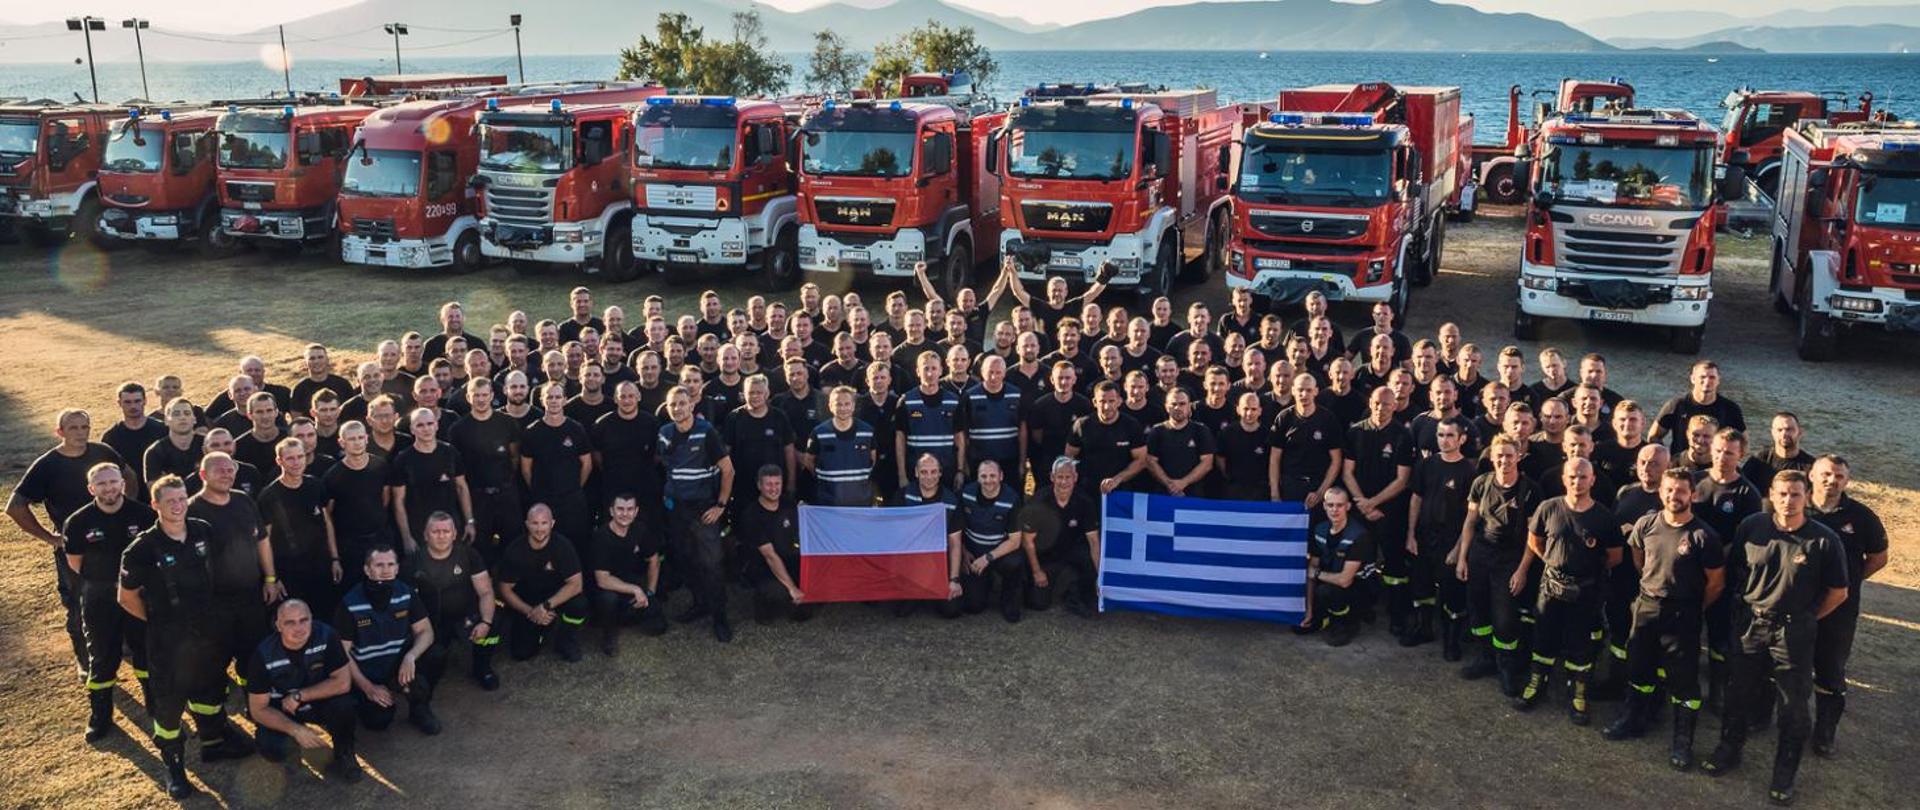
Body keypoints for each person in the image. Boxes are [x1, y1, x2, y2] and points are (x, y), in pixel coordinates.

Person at [1701, 471, 1850, 806]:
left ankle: (1785, 770)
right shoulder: (1752, 526)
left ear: (1806, 497)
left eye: (1795, 495)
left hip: (1793, 631)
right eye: (1782, 494)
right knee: (1738, 692)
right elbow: (1738, 568)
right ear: (1771, 494)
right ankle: (1729, 748)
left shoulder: (1824, 540)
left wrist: (1806, 617)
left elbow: (1838, 592)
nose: (1787, 501)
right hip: (1751, 623)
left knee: (1793, 705)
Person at [119, 476, 253, 799]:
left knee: (210, 690)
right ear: (156, 505)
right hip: (168, 640)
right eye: (170, 501)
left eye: (182, 499)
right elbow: (126, 597)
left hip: (207, 632)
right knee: (168, 706)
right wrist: (159, 622)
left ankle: (213, 742)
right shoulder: (142, 548)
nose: (178, 506)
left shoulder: (202, 530)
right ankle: (174, 767)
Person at [1603, 470, 1724, 772]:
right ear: (1661, 493)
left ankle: (1683, 740)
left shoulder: (1703, 536)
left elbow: (1715, 583)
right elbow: (1638, 555)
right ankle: (1633, 718)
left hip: (1683, 613)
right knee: (1639, 666)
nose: (1674, 496)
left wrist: (1692, 606)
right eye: (1669, 490)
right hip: (1646, 605)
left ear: (1693, 495)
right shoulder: (1646, 524)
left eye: (1681, 491)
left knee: (1683, 680)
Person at [8, 409, 130, 672]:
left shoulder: (103, 453)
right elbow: (16, 506)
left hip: (114, 542)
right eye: (73, 428)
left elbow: (128, 475)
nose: (80, 432)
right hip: (76, 548)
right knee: (78, 603)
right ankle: (85, 660)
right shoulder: (48, 465)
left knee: (122, 592)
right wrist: (49, 537)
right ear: (59, 432)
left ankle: (124, 645)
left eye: (84, 427)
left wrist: (126, 507)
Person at [1512, 458, 1622, 725]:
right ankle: (1537, 684)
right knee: (1543, 638)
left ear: (1593, 480)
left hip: (1586, 592)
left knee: (1580, 644)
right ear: (1564, 478)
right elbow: (1534, 541)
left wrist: (1584, 572)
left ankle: (1578, 693)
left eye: (1583, 477)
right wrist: (1555, 563)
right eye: (1572, 476)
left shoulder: (1604, 517)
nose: (1577, 481)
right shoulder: (1548, 508)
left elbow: (1614, 557)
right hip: (1550, 587)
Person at [61, 462, 155, 740]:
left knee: (145, 649)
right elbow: (75, 563)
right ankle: (100, 714)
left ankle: (155, 701)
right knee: (102, 656)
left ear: (123, 484)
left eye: (113, 482)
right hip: (99, 597)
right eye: (101, 484)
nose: (109, 488)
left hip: (137, 594)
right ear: (91, 489)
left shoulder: (145, 515)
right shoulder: (78, 522)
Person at [1804, 455, 1889, 758]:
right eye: (1826, 474)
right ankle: (1764, 716)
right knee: (1784, 663)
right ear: (1811, 475)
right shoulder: (1795, 507)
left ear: (1847, 481)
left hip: (1839, 609)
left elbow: (1879, 558)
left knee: (1829, 669)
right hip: (1797, 604)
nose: (1832, 480)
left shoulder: (1862, 517)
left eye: (1839, 476)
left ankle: (1825, 731)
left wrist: (1849, 581)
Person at [1454, 435, 1544, 696]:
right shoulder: (1481, 483)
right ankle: (1486, 657)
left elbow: (1533, 536)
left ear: (1518, 457)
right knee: (1478, 610)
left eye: (1509, 455)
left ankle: (1507, 666)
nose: (1504, 460)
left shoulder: (1530, 490)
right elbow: (1470, 522)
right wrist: (1462, 557)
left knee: (1505, 618)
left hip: (1510, 559)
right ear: (1492, 458)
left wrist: (1522, 570)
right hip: (1480, 555)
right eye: (1499, 455)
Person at [187, 451, 280, 701]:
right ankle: (215, 715)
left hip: (251, 595)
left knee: (251, 652)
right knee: (215, 656)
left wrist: (270, 578)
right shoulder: (191, 510)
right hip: (214, 602)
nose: (227, 475)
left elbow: (262, 540)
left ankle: (254, 699)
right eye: (220, 470)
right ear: (203, 475)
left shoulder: (244, 501)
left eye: (230, 470)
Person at [245, 599, 361, 782]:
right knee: (271, 746)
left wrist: (300, 696)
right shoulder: (263, 655)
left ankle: (345, 753)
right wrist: (295, 730)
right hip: (283, 709)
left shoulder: (327, 636)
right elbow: (258, 709)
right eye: (289, 622)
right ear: (278, 625)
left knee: (344, 706)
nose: (298, 628)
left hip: (317, 700)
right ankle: (292, 755)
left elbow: (343, 682)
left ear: (312, 619)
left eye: (303, 620)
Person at [658, 385, 736, 642]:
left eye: (682, 403)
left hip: (703, 508)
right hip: (676, 509)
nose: (678, 408)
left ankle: (719, 616)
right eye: (673, 404)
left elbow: (728, 470)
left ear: (692, 405)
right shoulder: (665, 433)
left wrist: (720, 505)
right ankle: (699, 603)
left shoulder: (706, 432)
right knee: (685, 559)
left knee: (711, 563)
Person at [335, 546, 439, 735]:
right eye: (379, 565)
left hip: (397, 666)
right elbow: (341, 652)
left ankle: (419, 708)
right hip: (367, 672)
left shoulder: (406, 593)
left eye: (391, 564)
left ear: (397, 568)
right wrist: (368, 687)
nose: (386, 570)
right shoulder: (350, 603)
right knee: (378, 721)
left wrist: (410, 657)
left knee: (436, 655)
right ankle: (362, 701)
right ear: (367, 570)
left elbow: (426, 632)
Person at [1343, 386, 1416, 639]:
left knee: (1394, 565)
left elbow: (1402, 480)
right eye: (1376, 403)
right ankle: (1362, 609)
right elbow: (1347, 472)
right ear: (1369, 402)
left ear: (1394, 405)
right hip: (1360, 508)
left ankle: (1397, 616)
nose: (1380, 408)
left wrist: (1374, 503)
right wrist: (1361, 502)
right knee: (1360, 561)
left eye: (1386, 404)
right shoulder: (1355, 432)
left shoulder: (1402, 436)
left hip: (1389, 512)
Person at [1406, 418, 1475, 660]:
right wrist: (1411, 535)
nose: (1444, 440)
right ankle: (1423, 629)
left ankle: (1451, 641)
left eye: (1449, 436)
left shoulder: (1468, 471)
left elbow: (1471, 516)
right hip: (1425, 537)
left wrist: (1458, 550)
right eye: (1440, 435)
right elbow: (1416, 499)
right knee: (1421, 586)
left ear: (1461, 439)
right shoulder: (1426, 465)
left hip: (1451, 540)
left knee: (1451, 593)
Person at [257, 438, 341, 624]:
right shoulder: (269, 496)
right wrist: (271, 578)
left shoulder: (316, 485)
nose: (296, 463)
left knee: (325, 620)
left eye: (300, 457)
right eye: (290, 458)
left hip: (321, 569)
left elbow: (328, 524)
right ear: (279, 461)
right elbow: (264, 541)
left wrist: (334, 559)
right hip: (288, 575)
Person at [497, 504, 588, 661]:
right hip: (527, 601)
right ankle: (541, 630)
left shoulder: (563, 546)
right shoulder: (515, 550)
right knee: (521, 653)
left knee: (579, 604)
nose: (540, 529)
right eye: (535, 523)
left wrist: (546, 606)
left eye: (544, 523)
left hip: (554, 598)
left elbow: (576, 584)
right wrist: (531, 612)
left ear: (552, 523)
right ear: (527, 524)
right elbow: (505, 589)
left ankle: (565, 640)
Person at [447, 377, 523, 564]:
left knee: (513, 548)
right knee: (480, 552)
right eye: (476, 395)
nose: (481, 399)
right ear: (468, 397)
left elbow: (515, 457)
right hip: (477, 498)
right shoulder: (458, 429)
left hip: (506, 495)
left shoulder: (507, 422)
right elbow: (457, 470)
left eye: (484, 395)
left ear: (492, 396)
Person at [1017, 458, 1100, 617]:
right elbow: (1027, 541)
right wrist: (1037, 572)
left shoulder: (1085, 501)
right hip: (1046, 554)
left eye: (1068, 477)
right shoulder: (1039, 501)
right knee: (1038, 603)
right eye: (1060, 477)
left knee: (1087, 561)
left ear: (1075, 478)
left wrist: (1099, 576)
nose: (1064, 482)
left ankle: (1077, 592)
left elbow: (1094, 542)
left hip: (1072, 549)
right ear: (1052, 477)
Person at [736, 465, 815, 625]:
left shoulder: (789, 504)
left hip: (791, 560)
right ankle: (763, 606)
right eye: (768, 484)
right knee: (778, 593)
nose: (774, 489)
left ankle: (793, 600)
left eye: (777, 484)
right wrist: (792, 587)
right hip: (764, 567)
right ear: (759, 485)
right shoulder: (752, 515)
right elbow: (770, 556)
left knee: (805, 611)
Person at [390, 408, 474, 555]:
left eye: (430, 423)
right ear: (412, 429)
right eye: (420, 425)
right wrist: (406, 537)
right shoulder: (403, 460)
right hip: (419, 531)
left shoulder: (450, 453)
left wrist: (470, 522)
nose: (426, 429)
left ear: (437, 425)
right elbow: (398, 502)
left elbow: (462, 488)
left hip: (451, 528)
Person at [590, 493, 667, 653]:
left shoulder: (640, 529)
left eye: (630, 509)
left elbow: (654, 560)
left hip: (632, 582)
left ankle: (627, 615)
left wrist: (650, 592)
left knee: (658, 627)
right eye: (620, 509)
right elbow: (602, 579)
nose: (625, 514)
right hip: (608, 588)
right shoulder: (601, 537)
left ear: (636, 511)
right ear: (611, 511)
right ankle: (609, 635)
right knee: (608, 600)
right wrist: (636, 590)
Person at [1298, 487, 1374, 647]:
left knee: (1327, 591)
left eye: (1339, 505)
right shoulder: (1320, 530)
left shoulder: (1359, 535)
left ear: (1348, 507)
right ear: (1324, 506)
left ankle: (1346, 623)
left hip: (1359, 588)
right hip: (1331, 580)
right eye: (1330, 505)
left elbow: (1345, 580)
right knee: (1299, 626)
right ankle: (1321, 616)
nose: (1335, 510)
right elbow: (1311, 571)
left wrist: (1316, 574)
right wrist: (1309, 610)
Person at [521, 382, 594, 544]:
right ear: (542, 400)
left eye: (558, 397)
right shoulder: (532, 431)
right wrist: (538, 490)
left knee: (576, 543)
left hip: (572, 500)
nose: (554, 401)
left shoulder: (576, 429)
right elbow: (526, 468)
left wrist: (574, 487)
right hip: (543, 499)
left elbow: (587, 464)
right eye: (549, 397)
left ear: (565, 400)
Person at [956, 460, 1026, 622]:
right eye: (984, 476)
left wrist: (987, 558)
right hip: (973, 552)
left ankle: (1009, 599)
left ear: (1001, 476)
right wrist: (963, 552)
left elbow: (1015, 541)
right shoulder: (966, 494)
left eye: (993, 475)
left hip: (1000, 552)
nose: (988, 480)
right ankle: (985, 582)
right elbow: (956, 530)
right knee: (974, 607)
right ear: (978, 478)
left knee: (1014, 562)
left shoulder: (1012, 499)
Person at [322, 422, 390, 588]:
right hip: (349, 546)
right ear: (342, 443)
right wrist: (335, 557)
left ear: (367, 439)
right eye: (352, 439)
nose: (357, 442)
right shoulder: (333, 476)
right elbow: (327, 518)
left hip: (379, 540)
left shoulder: (380, 466)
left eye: (360, 437)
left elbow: (385, 499)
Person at [1269, 373, 1346, 508]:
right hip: (1290, 487)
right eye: (1300, 390)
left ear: (1316, 391)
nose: (1304, 394)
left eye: (1308, 390)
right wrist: (1275, 494)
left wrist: (1321, 492)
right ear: (1293, 390)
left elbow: (1336, 460)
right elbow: (1274, 458)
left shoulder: (1328, 419)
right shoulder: (1284, 418)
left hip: (1318, 486)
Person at [1067, 381, 1148, 499]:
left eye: (1111, 401)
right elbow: (1069, 457)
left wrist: (1117, 479)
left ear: (1119, 401)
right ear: (1094, 402)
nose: (1107, 406)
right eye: (1102, 401)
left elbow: (1141, 460)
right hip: (1087, 491)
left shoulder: (1131, 426)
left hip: (1121, 490)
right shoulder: (1082, 425)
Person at [896, 351, 966, 486]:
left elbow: (960, 438)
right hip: (915, 472)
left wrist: (960, 470)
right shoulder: (906, 401)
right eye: (925, 369)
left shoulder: (953, 401)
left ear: (940, 371)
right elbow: (900, 440)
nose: (929, 373)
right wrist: (902, 474)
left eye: (934, 368)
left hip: (947, 470)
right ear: (917, 371)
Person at [803, 386, 877, 506]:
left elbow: (873, 460)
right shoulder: (819, 433)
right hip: (828, 503)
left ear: (853, 406)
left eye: (847, 404)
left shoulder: (867, 432)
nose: (843, 408)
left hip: (861, 503)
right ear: (830, 406)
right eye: (838, 404)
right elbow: (809, 462)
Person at [1650, 361, 1745, 453]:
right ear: (1693, 379)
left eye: (1712, 377)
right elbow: (1653, 437)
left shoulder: (1730, 409)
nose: (1707, 381)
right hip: (1681, 465)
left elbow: (1744, 442)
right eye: (1702, 377)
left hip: (1714, 465)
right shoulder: (1677, 405)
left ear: (1718, 380)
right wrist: (1666, 459)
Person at [963, 355, 1026, 486]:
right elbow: (963, 435)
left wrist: (1022, 461)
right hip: (978, 461)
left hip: (1009, 461)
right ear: (982, 372)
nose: (994, 377)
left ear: (1004, 373)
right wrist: (964, 463)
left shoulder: (1016, 394)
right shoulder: (970, 396)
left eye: (998, 372)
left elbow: (1022, 430)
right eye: (990, 372)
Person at [1145, 387, 1216, 497]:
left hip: (1194, 495)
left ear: (1189, 406)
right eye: (1173, 404)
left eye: (1182, 404)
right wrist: (1170, 484)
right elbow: (1151, 462)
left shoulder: (1201, 430)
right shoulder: (1157, 431)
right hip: (1163, 494)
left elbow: (1207, 463)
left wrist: (1184, 482)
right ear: (1166, 407)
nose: (1177, 407)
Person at [102, 382, 168, 497]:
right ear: (119, 403)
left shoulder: (162, 430)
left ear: (145, 401)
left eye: (137, 401)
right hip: (129, 497)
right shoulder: (111, 437)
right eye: (127, 402)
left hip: (161, 494)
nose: (133, 406)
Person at [1744, 412, 1816, 490]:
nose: (1784, 434)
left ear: (1800, 432)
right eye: (1779, 430)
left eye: (1789, 429)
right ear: (1772, 433)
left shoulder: (1811, 466)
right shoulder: (1758, 461)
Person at [145, 397, 205, 486]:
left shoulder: (208, 444)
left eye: (187, 413)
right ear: (166, 420)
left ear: (194, 419)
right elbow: (156, 492)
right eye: (176, 414)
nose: (182, 417)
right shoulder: (155, 452)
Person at [291, 344, 355, 415]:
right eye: (312, 358)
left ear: (327, 360)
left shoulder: (343, 384)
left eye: (320, 357)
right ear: (305, 363)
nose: (316, 361)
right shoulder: (299, 389)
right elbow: (297, 419)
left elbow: (352, 412)